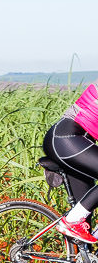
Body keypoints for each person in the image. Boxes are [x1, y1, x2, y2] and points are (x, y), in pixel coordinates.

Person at [43, 88, 98, 244]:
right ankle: (72, 221)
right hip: (67, 140)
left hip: (78, 144)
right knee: (78, 220)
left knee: (86, 226)